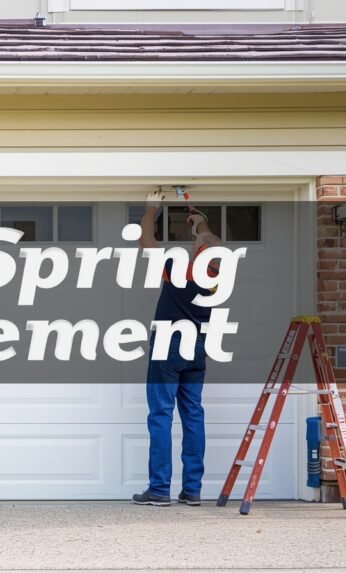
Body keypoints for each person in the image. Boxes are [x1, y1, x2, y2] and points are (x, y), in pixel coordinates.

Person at [131, 190, 222, 507]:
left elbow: (145, 240)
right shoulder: (215, 276)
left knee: (160, 415)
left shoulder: (179, 267)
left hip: (169, 345)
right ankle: (193, 490)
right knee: (193, 416)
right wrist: (202, 224)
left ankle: (159, 490)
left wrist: (151, 209)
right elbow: (212, 242)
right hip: (197, 347)